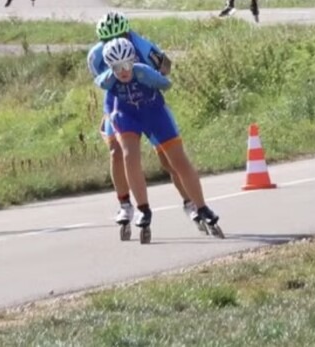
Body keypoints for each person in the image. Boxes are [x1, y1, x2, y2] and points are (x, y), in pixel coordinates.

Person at [96, 38, 224, 242]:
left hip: (153, 112)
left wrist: (152, 78)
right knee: (129, 155)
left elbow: (167, 83)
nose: (123, 71)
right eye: (117, 68)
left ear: (133, 60)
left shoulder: (142, 71)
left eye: (127, 65)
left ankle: (202, 207)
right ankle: (143, 209)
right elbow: (100, 82)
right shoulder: (108, 79)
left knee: (177, 159)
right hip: (125, 114)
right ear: (110, 67)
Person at [88, 13, 203, 238]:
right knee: (116, 152)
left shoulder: (140, 44)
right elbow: (101, 81)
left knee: (168, 160)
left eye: (120, 36)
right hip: (119, 106)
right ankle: (125, 204)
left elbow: (166, 68)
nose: (114, 42)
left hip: (148, 105)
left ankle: (190, 202)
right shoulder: (95, 55)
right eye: (107, 40)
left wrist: (153, 69)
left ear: (127, 33)